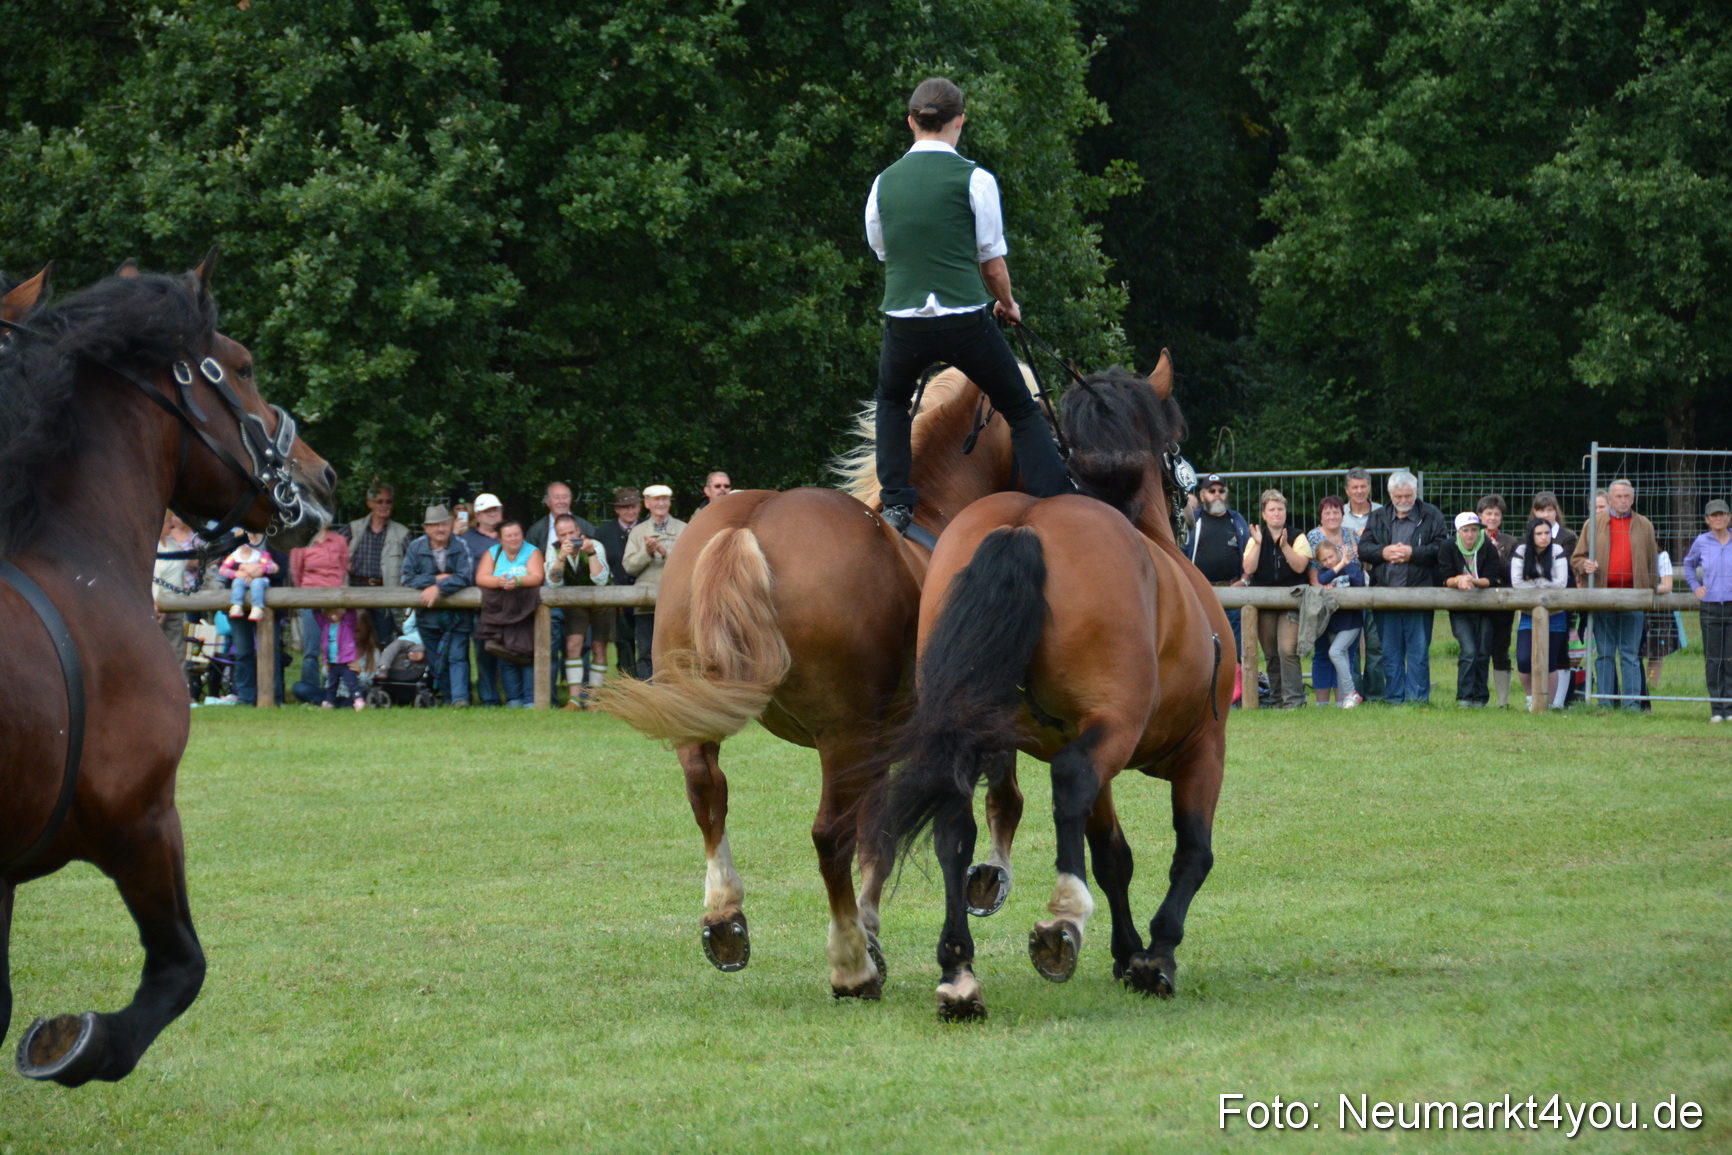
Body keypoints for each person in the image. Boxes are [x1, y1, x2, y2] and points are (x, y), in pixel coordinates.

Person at [865, 76, 1072, 536]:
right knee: (1019, 407)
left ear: (911, 122)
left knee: (893, 401)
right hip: (964, 321)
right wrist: (1008, 304)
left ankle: (897, 503)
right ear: (960, 122)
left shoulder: (883, 183)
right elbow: (992, 264)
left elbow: (882, 248)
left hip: (904, 323)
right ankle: (1056, 500)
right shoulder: (975, 179)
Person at [1358, 470, 1449, 704]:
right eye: (1398, 497)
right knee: (1390, 652)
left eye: (1407, 496)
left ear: (1416, 492)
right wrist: (1384, 552)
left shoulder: (1432, 515)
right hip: (1385, 595)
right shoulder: (1377, 517)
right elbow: (1364, 548)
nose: (1403, 501)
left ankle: (1418, 699)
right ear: (1390, 495)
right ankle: (1394, 698)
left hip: (1420, 594)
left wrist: (1412, 553)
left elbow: (1442, 548)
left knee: (1418, 652)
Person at [1572, 479, 1658, 709]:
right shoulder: (1593, 524)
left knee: (1630, 655)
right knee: (1606, 654)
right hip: (1603, 597)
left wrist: (1651, 592)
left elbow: (1653, 562)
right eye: (1618, 496)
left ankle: (1632, 705)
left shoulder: (1645, 525)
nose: (1622, 500)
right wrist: (1584, 566)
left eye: (1626, 496)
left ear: (1633, 498)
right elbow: (1577, 558)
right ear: (1609, 499)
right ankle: (1606, 705)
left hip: (1635, 598)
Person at [402, 504, 475, 707]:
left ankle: (461, 700)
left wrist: (438, 588)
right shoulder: (415, 547)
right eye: (434, 526)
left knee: (457, 656)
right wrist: (436, 579)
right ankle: (448, 697)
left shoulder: (461, 545)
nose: (440, 529)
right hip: (428, 616)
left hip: (458, 615)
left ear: (451, 524)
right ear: (426, 528)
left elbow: (466, 576)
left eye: (443, 524)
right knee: (436, 660)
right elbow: (407, 578)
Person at [1242, 489, 1309, 708]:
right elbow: (1248, 568)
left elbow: (1300, 566)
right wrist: (1260, 543)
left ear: (1286, 512)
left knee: (1287, 650)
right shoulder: (1255, 538)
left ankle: (1294, 701)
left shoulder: (1298, 536)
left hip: (1292, 599)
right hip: (1264, 602)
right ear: (1264, 514)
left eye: (1280, 509)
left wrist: (1284, 547)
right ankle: (1277, 700)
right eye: (1272, 510)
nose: (1276, 513)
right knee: (1270, 653)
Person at [475, 520, 546, 708]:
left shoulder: (532, 551)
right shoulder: (493, 553)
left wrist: (517, 581)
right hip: (501, 613)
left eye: (517, 534)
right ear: (501, 538)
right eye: (509, 535)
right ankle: (513, 699)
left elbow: (537, 576)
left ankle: (531, 699)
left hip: (527, 613)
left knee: (527, 654)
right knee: (505, 655)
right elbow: (481, 577)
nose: (513, 539)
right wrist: (500, 582)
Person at [545, 511, 611, 709]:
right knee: (573, 645)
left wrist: (590, 553)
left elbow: (600, 580)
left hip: (602, 601)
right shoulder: (553, 550)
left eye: (570, 532)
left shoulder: (595, 545)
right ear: (557, 536)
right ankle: (574, 698)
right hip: (575, 602)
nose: (567, 538)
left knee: (599, 647)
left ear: (578, 531)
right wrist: (561, 558)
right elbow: (553, 583)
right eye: (562, 534)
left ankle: (593, 698)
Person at [1437, 511, 1502, 707]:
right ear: (1458, 532)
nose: (1471, 534)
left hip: (1485, 607)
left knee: (1483, 652)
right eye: (1466, 530)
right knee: (1469, 651)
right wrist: (1458, 580)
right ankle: (1464, 697)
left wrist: (1473, 581)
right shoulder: (1448, 547)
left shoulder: (1488, 547)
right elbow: (1445, 578)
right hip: (1460, 608)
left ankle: (1481, 697)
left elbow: (1491, 578)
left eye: (1474, 530)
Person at [623, 483, 686, 680]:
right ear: (647, 504)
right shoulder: (637, 532)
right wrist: (647, 553)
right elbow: (628, 566)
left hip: (677, 603)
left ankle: (676, 694)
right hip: (645, 605)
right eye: (656, 499)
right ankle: (648, 694)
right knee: (645, 652)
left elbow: (689, 563)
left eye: (664, 499)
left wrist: (665, 553)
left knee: (677, 652)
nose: (661, 503)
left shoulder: (684, 529)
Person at [1185, 473, 1252, 657]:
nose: (1217, 494)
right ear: (1202, 495)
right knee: (1200, 649)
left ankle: (1235, 686)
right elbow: (1181, 554)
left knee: (1234, 649)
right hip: (1199, 593)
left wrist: (1245, 580)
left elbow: (1249, 552)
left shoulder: (1236, 520)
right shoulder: (1193, 520)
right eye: (1211, 490)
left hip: (1232, 592)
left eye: (1221, 490)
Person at [1511, 517, 1570, 709]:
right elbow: (1517, 583)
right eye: (1539, 534)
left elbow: (1561, 583)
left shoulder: (1557, 551)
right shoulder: (1521, 551)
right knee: (1524, 659)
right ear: (1531, 535)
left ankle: (1548, 703)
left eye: (1547, 533)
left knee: (1550, 661)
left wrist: (1536, 583)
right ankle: (1531, 699)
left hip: (1556, 614)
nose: (1544, 537)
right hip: (1528, 614)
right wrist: (1545, 583)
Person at [1682, 499, 1732, 722]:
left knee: (1730, 658)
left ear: (1729, 517)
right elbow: (1688, 564)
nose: (1718, 518)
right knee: (1713, 659)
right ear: (1707, 520)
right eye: (1714, 515)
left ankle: (1730, 707)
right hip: (1710, 606)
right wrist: (1695, 586)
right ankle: (1717, 709)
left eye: (1722, 514)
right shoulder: (1701, 541)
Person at [289, 523, 350, 701]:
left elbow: (343, 568)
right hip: (310, 599)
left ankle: (334, 689)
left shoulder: (339, 541)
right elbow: (297, 574)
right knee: (311, 650)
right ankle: (311, 691)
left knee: (335, 646)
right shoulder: (301, 542)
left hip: (335, 600)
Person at [345, 482, 409, 646]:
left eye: (388, 502)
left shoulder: (402, 533)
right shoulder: (353, 528)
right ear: (370, 504)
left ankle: (381, 671)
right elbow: (332, 553)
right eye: (380, 501)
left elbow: (413, 564)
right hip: (356, 588)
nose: (384, 505)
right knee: (357, 639)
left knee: (383, 640)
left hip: (386, 590)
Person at [1341, 467, 1384, 699]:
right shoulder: (1338, 514)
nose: (1359, 491)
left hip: (1378, 584)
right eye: (1354, 487)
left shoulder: (1382, 512)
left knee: (1376, 644)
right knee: (1352, 646)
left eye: (1363, 486)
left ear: (1369, 488)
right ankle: (1354, 693)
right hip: (1349, 587)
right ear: (1347, 490)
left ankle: (1377, 694)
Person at [592, 486, 643, 678]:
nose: (630, 511)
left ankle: (648, 680)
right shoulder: (603, 533)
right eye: (625, 507)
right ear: (616, 510)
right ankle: (627, 681)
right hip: (616, 597)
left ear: (640, 507)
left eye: (634, 506)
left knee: (646, 641)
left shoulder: (647, 528)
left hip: (645, 593)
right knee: (622, 641)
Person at [462, 492, 507, 706]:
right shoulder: (465, 540)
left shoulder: (511, 535)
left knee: (512, 652)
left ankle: (514, 697)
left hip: (511, 606)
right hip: (480, 607)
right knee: (483, 653)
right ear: (478, 515)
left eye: (495, 509)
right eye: (487, 511)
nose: (492, 514)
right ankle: (489, 698)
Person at [1311, 540, 1365, 707]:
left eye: (1332, 557)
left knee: (1335, 652)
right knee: (1343, 657)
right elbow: (1322, 578)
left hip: (1351, 622)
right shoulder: (1325, 573)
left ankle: (1351, 692)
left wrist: (1344, 564)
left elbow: (1359, 581)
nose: (1330, 562)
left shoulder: (1349, 567)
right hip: (1334, 623)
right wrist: (1337, 567)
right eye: (1325, 560)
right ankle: (1343, 702)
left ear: (1338, 553)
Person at [1477, 495, 1518, 707]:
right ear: (1480, 515)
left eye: (1496, 514)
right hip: (1477, 603)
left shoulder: (1510, 542)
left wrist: (1496, 553)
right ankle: (1479, 698)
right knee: (1479, 650)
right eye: (1488, 513)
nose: (1492, 517)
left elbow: (1512, 574)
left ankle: (1503, 702)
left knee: (1501, 650)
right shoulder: (1469, 537)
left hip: (1503, 603)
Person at [152, 512, 199, 670]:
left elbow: (187, 562)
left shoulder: (172, 544)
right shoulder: (154, 547)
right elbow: (156, 576)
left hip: (175, 604)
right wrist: (156, 603)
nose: (172, 528)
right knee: (156, 649)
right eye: (169, 525)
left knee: (177, 650)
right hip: (157, 605)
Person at [526, 481, 596, 562]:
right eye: (556, 497)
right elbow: (528, 560)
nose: (561, 501)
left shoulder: (585, 526)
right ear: (547, 501)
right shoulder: (536, 531)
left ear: (571, 499)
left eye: (565, 497)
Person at [316, 607, 366, 711]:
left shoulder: (347, 624)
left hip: (346, 661)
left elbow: (351, 612)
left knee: (352, 683)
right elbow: (317, 614)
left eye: (337, 610)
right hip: (333, 661)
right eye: (330, 611)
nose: (334, 613)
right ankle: (329, 702)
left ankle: (358, 700)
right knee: (332, 684)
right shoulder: (326, 625)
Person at [221, 531, 277, 621]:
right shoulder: (234, 556)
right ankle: (237, 605)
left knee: (257, 583)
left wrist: (260, 569)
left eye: (249, 539)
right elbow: (223, 569)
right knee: (237, 582)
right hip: (242, 581)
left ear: (255, 542)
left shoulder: (259, 554)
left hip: (259, 580)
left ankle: (257, 608)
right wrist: (235, 574)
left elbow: (273, 567)